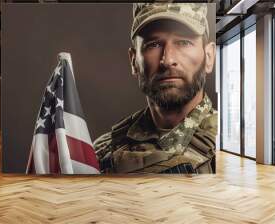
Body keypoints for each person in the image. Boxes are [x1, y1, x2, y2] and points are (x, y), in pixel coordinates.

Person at [93, 3, 217, 174]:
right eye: (153, 44)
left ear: (209, 57)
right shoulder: (102, 151)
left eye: (184, 42)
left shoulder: (225, 146)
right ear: (134, 61)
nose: (168, 60)